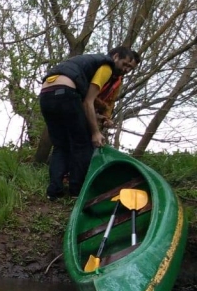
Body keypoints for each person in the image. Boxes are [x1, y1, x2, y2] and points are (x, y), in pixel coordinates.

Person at [38, 46, 140, 200]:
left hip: (46, 94)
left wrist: (102, 117)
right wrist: (95, 132)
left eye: (130, 68)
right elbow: (88, 102)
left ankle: (53, 192)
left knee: (60, 145)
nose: (126, 69)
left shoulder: (89, 61)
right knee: (82, 144)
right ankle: (76, 192)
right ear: (115, 57)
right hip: (66, 91)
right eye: (124, 64)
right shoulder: (106, 66)